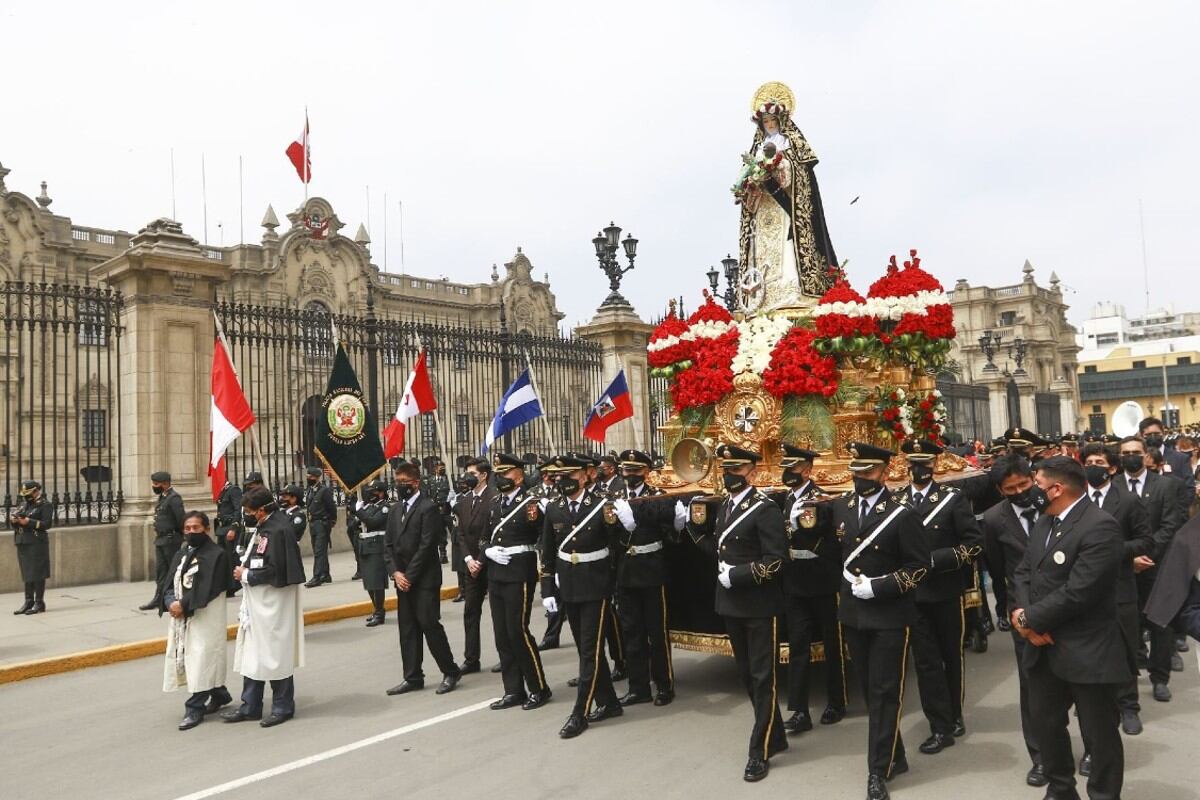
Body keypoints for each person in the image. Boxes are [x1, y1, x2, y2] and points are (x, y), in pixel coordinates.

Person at [1012, 456, 1131, 800]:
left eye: (1036, 483)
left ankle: (1104, 795)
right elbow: (1023, 573)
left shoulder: (1100, 526)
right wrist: (1024, 620)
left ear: (1057, 488)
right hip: (1042, 645)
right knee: (1047, 726)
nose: (1032, 490)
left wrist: (1028, 619)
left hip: (1087, 650)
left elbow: (1080, 592)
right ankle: (1061, 789)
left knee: (1099, 735)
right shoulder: (1045, 523)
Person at [676, 444, 788, 782]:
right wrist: (693, 531)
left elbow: (776, 560)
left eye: (736, 470)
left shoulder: (764, 508)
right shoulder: (725, 506)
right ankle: (776, 734)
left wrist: (737, 575)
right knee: (746, 674)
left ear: (752, 472)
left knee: (762, 675)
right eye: (726, 469)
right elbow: (719, 550)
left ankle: (760, 749)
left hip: (757, 603)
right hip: (730, 604)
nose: (729, 475)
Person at [833, 442, 929, 800]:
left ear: (885, 472)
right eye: (857, 471)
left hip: (889, 614)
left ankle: (877, 770)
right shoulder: (842, 507)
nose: (861, 478)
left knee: (885, 690)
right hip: (853, 614)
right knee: (870, 689)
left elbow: (920, 566)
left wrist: (882, 586)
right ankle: (896, 754)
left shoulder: (902, 513)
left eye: (869, 472)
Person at [896, 438, 983, 752]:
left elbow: (973, 544)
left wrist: (937, 560)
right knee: (926, 662)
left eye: (925, 463)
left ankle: (955, 712)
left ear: (934, 465)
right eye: (914, 463)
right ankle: (940, 725)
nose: (919, 469)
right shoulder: (897, 500)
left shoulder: (952, 500)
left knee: (950, 656)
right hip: (912, 595)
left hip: (945, 591)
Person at [542, 454, 622, 739]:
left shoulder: (602, 506)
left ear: (586, 475)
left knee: (590, 650)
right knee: (587, 649)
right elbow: (547, 553)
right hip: (569, 589)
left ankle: (580, 712)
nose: (564, 481)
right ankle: (610, 702)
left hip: (596, 586)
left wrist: (614, 587)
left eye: (571, 475)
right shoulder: (553, 508)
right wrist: (547, 590)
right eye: (560, 476)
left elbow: (617, 549)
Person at [1080, 442, 1153, 745]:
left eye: (1099, 461)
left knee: (1125, 647)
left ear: (1111, 468)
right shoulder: (1076, 498)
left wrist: (1111, 551)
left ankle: (1129, 706)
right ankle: (1094, 704)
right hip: (1082, 590)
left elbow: (1145, 540)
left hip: (1119, 587)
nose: (1094, 466)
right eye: (1089, 461)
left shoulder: (1127, 500)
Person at [981, 455, 1048, 788]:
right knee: (1032, 684)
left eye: (1024, 484)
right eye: (1012, 489)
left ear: (1033, 478)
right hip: (1024, 612)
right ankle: (1040, 756)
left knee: (1078, 680)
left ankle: (1091, 747)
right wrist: (1007, 608)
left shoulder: (1052, 503)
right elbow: (995, 567)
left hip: (1066, 608)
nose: (1021, 492)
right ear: (1000, 490)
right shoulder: (994, 520)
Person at [776, 444, 846, 733]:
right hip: (794, 581)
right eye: (786, 467)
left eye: (793, 468)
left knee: (832, 643)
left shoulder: (821, 500)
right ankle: (800, 710)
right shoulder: (784, 500)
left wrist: (795, 530)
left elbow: (831, 541)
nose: (787, 473)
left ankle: (836, 701)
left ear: (807, 470)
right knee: (798, 646)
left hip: (821, 580)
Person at [224, 486, 307, 727]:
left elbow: (276, 569)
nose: (247, 515)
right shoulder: (264, 527)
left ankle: (283, 705)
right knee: (253, 653)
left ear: (262, 510)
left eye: (250, 511)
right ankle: (251, 705)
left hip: (273, 603)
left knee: (274, 653)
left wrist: (246, 574)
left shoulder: (279, 530)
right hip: (256, 603)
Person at [384, 461, 463, 696]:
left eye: (404, 482)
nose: (400, 486)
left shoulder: (428, 508)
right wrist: (395, 573)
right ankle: (413, 676)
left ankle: (450, 671)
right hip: (403, 579)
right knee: (407, 629)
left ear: (415, 483)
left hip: (424, 579)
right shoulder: (396, 509)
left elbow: (428, 545)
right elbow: (388, 544)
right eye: (397, 482)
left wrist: (409, 575)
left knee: (429, 624)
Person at [483, 453, 551, 710]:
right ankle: (513, 690)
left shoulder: (532, 504)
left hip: (519, 572)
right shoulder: (494, 503)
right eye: (498, 473)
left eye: (507, 473)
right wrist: (487, 550)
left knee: (517, 631)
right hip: (496, 572)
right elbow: (483, 537)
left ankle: (538, 687)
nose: (502, 477)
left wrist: (547, 571)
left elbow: (545, 539)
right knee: (502, 635)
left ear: (520, 475)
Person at [609, 449, 676, 707]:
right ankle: (638, 687)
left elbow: (667, 525)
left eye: (636, 471)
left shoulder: (657, 497)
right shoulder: (614, 498)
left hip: (651, 570)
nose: (630, 475)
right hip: (625, 571)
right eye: (627, 470)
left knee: (656, 632)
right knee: (632, 633)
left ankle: (664, 685)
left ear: (646, 472)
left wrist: (636, 518)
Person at [1119, 435, 1183, 702]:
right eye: (1125, 453)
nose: (1130, 456)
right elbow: (1109, 530)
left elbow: (1170, 524)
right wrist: (1129, 558)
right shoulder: (1112, 487)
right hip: (1125, 568)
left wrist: (1145, 553)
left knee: (1160, 624)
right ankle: (1128, 684)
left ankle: (1160, 678)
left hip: (1157, 565)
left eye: (1135, 452)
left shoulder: (1165, 486)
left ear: (1146, 455)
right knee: (1127, 626)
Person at [161, 511, 232, 730]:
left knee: (202, 656)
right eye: (187, 528)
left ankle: (195, 707)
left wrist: (183, 605)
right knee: (190, 656)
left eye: (196, 528)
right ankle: (219, 694)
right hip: (182, 616)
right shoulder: (182, 553)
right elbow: (169, 579)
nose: (191, 532)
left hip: (205, 616)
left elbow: (208, 587)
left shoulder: (217, 555)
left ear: (207, 529)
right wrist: (170, 600)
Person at [454, 457, 495, 675]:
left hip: (490, 563)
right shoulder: (465, 500)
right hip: (471, 565)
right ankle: (471, 659)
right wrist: (469, 559)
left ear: (483, 475)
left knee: (499, 613)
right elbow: (460, 533)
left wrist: (480, 559)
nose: (467, 477)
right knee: (470, 610)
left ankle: (506, 654)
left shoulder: (494, 497)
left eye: (472, 473)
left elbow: (493, 534)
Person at [140, 471, 186, 611]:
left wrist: (178, 536)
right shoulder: (163, 497)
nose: (154, 486)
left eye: (156, 484)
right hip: (161, 540)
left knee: (172, 571)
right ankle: (159, 598)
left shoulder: (174, 498)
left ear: (166, 484)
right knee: (161, 572)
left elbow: (181, 520)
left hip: (171, 540)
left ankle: (173, 598)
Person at [10, 480, 53, 615]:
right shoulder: (24, 505)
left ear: (36, 491)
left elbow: (46, 524)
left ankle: (39, 602)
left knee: (38, 572)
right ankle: (28, 601)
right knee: (27, 572)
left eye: (28, 493)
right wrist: (14, 521)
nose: (26, 496)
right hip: (23, 541)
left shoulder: (45, 505)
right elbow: (18, 521)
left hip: (36, 542)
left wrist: (28, 522)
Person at [354, 480, 391, 627]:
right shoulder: (368, 507)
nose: (371, 494)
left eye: (374, 491)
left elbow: (374, 522)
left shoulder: (385, 508)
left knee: (377, 582)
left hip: (377, 547)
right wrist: (358, 516)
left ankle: (380, 613)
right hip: (365, 547)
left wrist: (360, 512)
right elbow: (354, 525)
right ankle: (376, 609)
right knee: (369, 582)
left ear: (381, 492)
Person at [303, 466, 337, 587]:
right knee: (319, 550)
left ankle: (317, 576)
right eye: (308, 477)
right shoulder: (310, 490)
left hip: (322, 523)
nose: (309, 478)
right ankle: (325, 574)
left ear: (317, 477)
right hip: (313, 524)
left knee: (319, 551)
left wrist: (332, 520)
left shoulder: (324, 490)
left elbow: (331, 507)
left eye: (311, 477)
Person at [214, 478, 243, 597]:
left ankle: (234, 586)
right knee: (223, 559)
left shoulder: (233, 490)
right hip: (222, 530)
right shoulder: (222, 491)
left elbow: (238, 509)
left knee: (231, 559)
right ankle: (226, 585)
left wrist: (234, 528)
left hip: (229, 529)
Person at [423, 459, 452, 565]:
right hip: (436, 511)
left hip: (447, 509)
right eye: (439, 467)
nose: (441, 469)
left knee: (453, 532)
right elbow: (426, 495)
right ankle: (443, 554)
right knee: (440, 533)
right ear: (435, 469)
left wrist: (450, 498)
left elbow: (454, 492)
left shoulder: (449, 479)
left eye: (442, 467)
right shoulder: (429, 480)